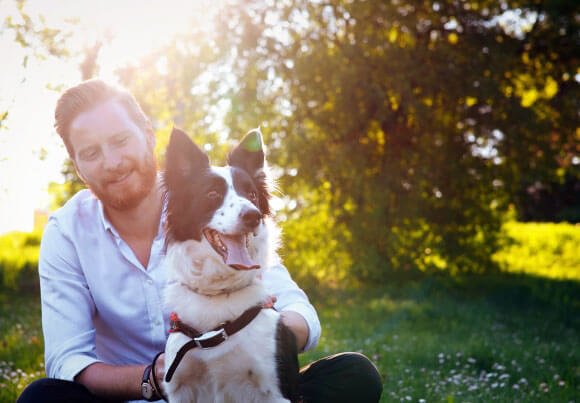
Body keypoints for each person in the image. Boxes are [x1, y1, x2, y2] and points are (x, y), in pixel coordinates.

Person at [17, 79, 382, 403]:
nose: (112, 162)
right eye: (92, 153)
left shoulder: (212, 204)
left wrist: (254, 344)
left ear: (148, 135)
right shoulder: (66, 233)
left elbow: (300, 315)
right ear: (77, 165)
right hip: (138, 396)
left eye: (120, 141)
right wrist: (155, 377)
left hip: (241, 389)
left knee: (353, 375)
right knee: (41, 398)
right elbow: (68, 360)